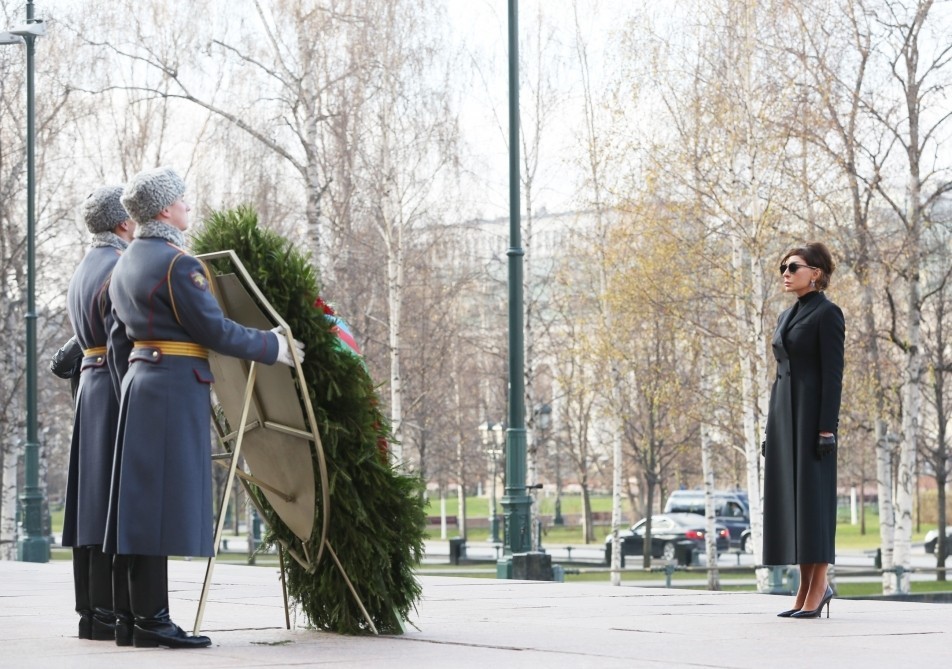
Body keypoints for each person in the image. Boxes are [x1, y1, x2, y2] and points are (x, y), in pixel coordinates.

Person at [104, 166, 303, 649]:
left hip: (141, 383)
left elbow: (115, 339)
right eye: (183, 199)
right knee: (157, 506)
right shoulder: (177, 264)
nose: (189, 206)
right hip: (172, 386)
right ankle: (152, 621)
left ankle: (134, 619)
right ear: (165, 209)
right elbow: (214, 330)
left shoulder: (127, 259)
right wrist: (274, 346)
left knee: (138, 506)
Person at [62, 186, 137, 642]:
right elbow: (118, 342)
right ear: (122, 223)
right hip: (110, 385)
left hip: (89, 387)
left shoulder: (86, 266)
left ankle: (92, 612)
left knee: (90, 502)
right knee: (111, 501)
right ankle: (109, 610)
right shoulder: (117, 265)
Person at [762, 242, 845, 619]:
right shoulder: (785, 316)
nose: (786, 272)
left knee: (814, 503)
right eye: (783, 266)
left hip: (813, 421)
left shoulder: (828, 314)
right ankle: (805, 586)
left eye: (793, 266)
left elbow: (832, 376)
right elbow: (780, 377)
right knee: (794, 506)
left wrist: (827, 428)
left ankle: (819, 585)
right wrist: (770, 430)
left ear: (816, 273)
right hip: (784, 418)